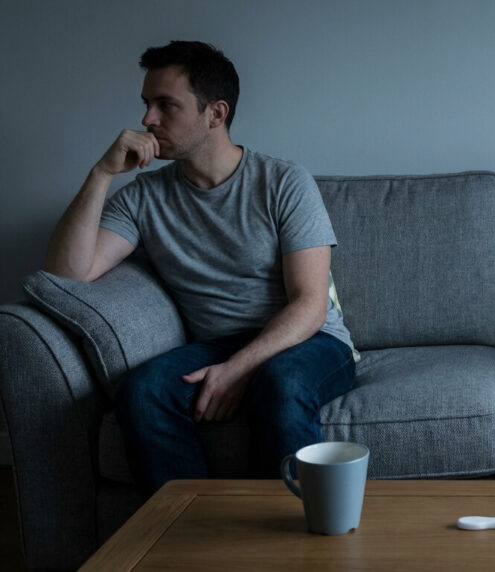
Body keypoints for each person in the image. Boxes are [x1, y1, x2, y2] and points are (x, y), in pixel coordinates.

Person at [43, 41, 356, 496]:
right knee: (143, 391)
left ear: (216, 114)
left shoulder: (284, 182)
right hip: (216, 343)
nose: (148, 119)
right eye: (147, 104)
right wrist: (102, 174)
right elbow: (66, 276)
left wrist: (238, 369)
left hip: (311, 339)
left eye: (166, 105)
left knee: (281, 383)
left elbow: (309, 305)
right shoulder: (142, 198)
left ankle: (298, 541)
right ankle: (189, 535)